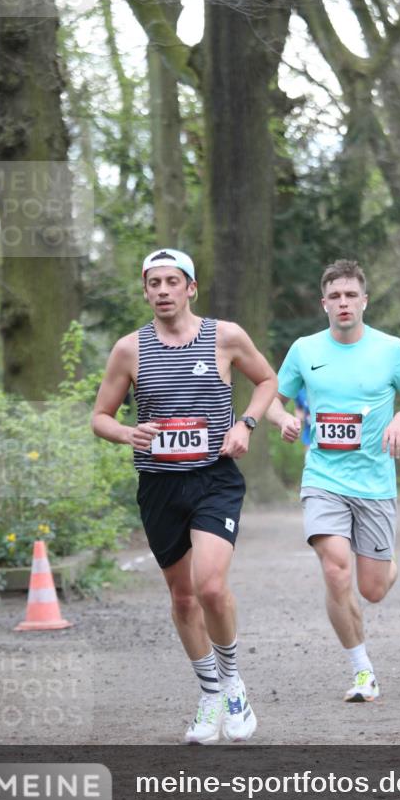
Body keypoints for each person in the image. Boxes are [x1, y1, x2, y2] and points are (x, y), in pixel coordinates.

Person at [92, 248, 277, 744]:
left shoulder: (226, 336)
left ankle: (234, 683)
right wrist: (125, 433)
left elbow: (267, 380)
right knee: (182, 595)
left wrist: (246, 423)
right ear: (145, 291)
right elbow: (100, 417)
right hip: (159, 485)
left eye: (172, 282)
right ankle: (210, 694)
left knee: (211, 587)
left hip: (214, 477)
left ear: (191, 287)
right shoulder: (129, 349)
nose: (163, 291)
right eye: (154, 284)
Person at [267, 259, 400, 702]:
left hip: (375, 482)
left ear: (364, 301)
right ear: (324, 304)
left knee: (372, 589)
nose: (343, 303)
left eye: (350, 295)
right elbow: (272, 400)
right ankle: (362, 671)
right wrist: (283, 418)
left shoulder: (390, 349)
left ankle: (387, 564)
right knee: (336, 569)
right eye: (335, 296)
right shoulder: (304, 350)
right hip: (323, 476)